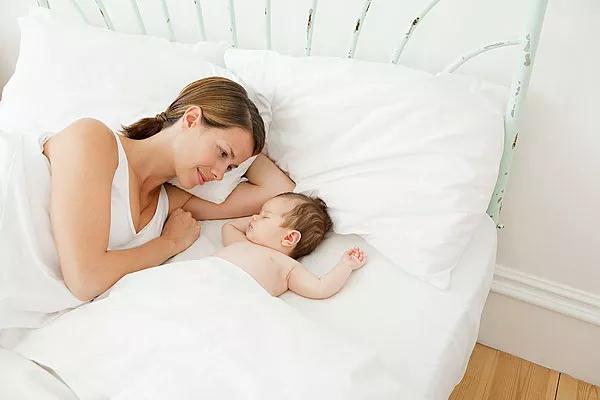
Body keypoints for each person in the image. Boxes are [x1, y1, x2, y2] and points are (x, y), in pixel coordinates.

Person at [42, 77, 294, 302]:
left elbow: (278, 190)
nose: (219, 175)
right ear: (191, 119)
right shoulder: (93, 140)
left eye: (230, 168)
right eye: (222, 153)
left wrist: (249, 146)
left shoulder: (171, 203)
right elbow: (85, 279)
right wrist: (169, 243)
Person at [215, 192, 367, 298]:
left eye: (265, 216)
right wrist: (259, 221)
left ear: (289, 237)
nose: (253, 217)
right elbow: (229, 226)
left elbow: (320, 288)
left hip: (235, 297)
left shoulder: (288, 267)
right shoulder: (242, 243)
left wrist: (345, 266)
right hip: (207, 275)